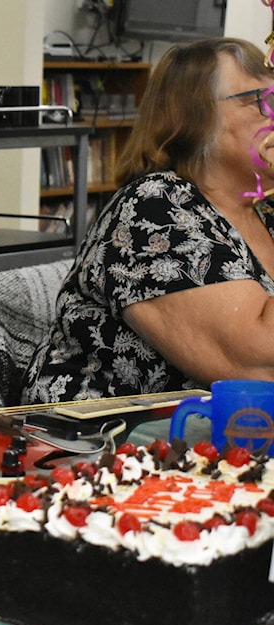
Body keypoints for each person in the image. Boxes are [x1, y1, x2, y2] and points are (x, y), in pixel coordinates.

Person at [23, 37, 274, 403]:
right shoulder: (155, 207)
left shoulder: (265, 212)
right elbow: (257, 367)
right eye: (262, 101)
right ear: (194, 118)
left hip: (206, 441)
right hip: (92, 443)